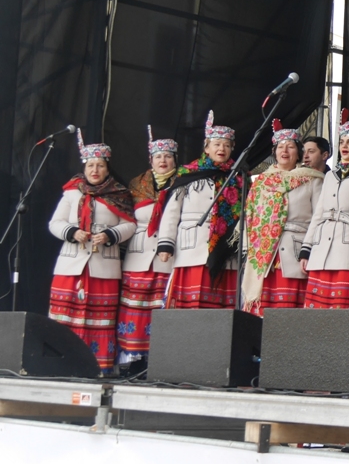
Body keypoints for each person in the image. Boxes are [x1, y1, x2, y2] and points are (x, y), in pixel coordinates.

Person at [48, 130, 135, 373]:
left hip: (103, 267)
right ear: (84, 167)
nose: (95, 170)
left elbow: (130, 225)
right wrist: (72, 232)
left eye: (100, 165)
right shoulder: (71, 192)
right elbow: (54, 223)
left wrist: (109, 235)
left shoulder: (118, 193)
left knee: (98, 320)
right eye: (90, 165)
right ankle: (60, 364)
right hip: (71, 266)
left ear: (107, 169)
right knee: (65, 318)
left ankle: (97, 367)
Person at [157, 111, 243, 309]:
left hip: (225, 253)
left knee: (222, 310)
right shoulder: (188, 175)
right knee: (190, 308)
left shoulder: (239, 179)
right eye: (217, 144)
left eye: (226, 145)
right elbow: (172, 213)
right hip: (192, 250)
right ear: (206, 147)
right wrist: (165, 244)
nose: (221, 149)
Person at [241, 121, 324, 316]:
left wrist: (310, 249)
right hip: (264, 255)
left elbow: (318, 218)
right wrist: (247, 248)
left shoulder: (312, 179)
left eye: (291, 147)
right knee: (262, 311)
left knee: (289, 313)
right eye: (280, 147)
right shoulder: (261, 182)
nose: (285, 151)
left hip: (295, 250)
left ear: (299, 152)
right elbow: (250, 216)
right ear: (274, 152)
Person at [300, 109, 349, 309]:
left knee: (344, 310)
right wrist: (306, 248)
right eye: (342, 142)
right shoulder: (331, 175)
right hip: (322, 249)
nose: (344, 146)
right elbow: (318, 214)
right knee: (316, 312)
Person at [118, 127, 179, 371]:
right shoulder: (136, 184)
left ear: (175, 159)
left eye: (168, 156)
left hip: (168, 254)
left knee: (160, 306)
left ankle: (158, 361)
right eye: (158, 156)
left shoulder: (183, 183)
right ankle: (133, 361)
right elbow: (125, 217)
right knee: (134, 308)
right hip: (139, 254)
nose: (163, 161)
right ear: (150, 160)